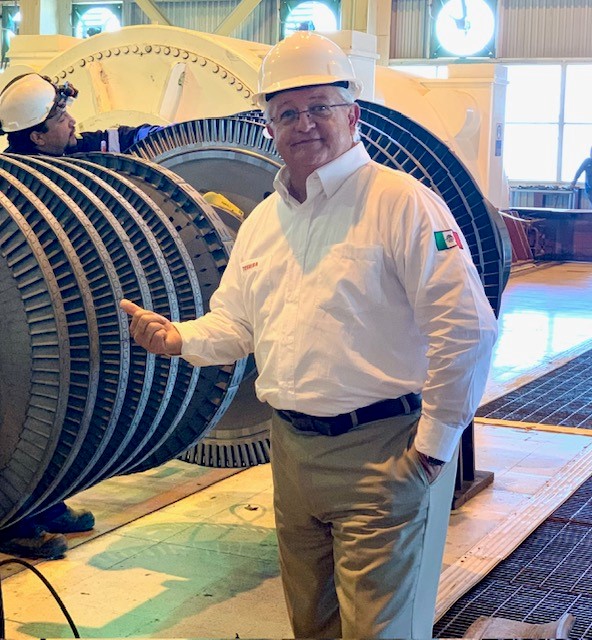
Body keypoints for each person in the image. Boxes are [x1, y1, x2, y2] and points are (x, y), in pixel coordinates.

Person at [120, 31, 498, 639]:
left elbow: (467, 328)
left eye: (320, 107)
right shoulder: (266, 221)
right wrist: (178, 339)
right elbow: (237, 324)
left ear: (351, 114)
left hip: (380, 451)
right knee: (310, 624)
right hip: (290, 452)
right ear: (269, 126)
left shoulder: (401, 204)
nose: (304, 125)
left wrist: (433, 448)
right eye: (287, 112)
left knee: (379, 630)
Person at [0, 72, 161, 560]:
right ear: (36, 136)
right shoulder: (14, 192)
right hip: (22, 328)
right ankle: (12, 517)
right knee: (26, 415)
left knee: (63, 408)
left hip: (59, 320)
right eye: (60, 118)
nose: (72, 124)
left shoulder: (62, 170)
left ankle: (45, 502)